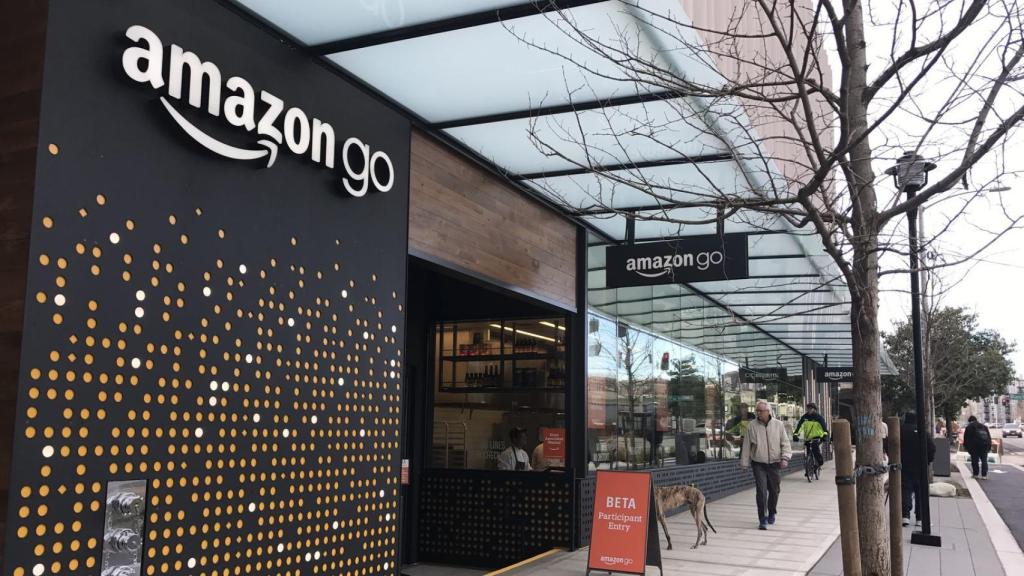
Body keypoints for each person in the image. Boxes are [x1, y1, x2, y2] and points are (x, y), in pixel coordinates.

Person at [741, 400, 792, 530]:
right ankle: (762, 519)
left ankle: (772, 511)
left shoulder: (778, 425)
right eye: (757, 410)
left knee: (774, 491)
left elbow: (785, 443)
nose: (758, 413)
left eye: (761, 411)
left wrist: (785, 458)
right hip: (758, 463)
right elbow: (747, 445)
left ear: (768, 411)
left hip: (774, 463)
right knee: (761, 492)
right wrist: (744, 463)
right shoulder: (751, 426)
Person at [899, 411, 936, 527]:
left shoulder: (900, 431)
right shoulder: (923, 432)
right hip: (920, 466)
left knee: (905, 489)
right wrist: (927, 461)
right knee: (920, 492)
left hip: (904, 465)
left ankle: (905, 515)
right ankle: (920, 517)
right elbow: (932, 448)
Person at [793, 403, 829, 468]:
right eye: (807, 408)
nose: (808, 410)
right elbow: (799, 427)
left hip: (817, 437)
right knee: (808, 451)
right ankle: (809, 466)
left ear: (814, 409)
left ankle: (819, 461)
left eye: (810, 408)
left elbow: (824, 428)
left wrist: (824, 436)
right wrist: (795, 434)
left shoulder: (819, 417)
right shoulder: (804, 417)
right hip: (808, 438)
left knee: (815, 448)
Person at [963, 415, 992, 480]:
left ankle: (976, 474)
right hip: (984, 446)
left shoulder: (969, 427)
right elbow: (989, 438)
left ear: (970, 421)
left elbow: (966, 438)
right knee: (984, 460)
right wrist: (989, 447)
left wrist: (967, 447)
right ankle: (984, 475)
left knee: (975, 460)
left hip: (974, 446)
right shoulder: (984, 427)